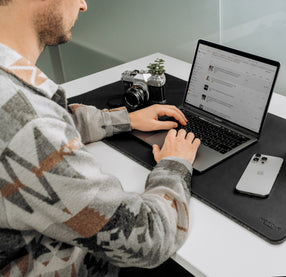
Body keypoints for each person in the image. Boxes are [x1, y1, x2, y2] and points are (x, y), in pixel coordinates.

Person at [0, 0, 200, 276]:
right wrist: (175, 164)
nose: (83, 5)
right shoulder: (30, 124)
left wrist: (125, 119)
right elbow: (151, 238)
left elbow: (30, 125)